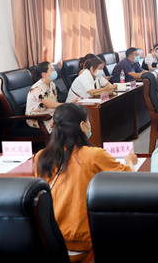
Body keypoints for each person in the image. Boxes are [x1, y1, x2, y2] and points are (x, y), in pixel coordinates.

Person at [34, 103, 137, 260]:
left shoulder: (41, 156)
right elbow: (128, 179)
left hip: (50, 238)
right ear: (82, 125)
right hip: (83, 239)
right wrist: (129, 161)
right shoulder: (94, 155)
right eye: (89, 122)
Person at [26, 61, 65, 131]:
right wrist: (68, 105)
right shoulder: (38, 87)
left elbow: (55, 103)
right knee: (66, 123)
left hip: (49, 112)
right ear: (44, 74)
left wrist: (71, 104)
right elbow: (50, 104)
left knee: (70, 117)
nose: (55, 71)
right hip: (38, 118)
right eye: (52, 69)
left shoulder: (52, 84)